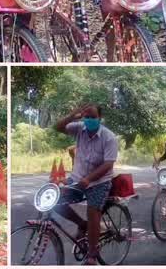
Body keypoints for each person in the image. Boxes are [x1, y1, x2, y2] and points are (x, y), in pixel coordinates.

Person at [54, 104, 118, 265]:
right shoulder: (79, 128)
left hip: (99, 181)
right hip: (77, 178)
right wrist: (72, 115)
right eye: (86, 117)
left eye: (93, 117)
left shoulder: (109, 137)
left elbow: (108, 164)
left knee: (93, 211)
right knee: (53, 201)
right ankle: (82, 224)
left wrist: (89, 179)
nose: (89, 120)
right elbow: (57, 127)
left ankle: (92, 252)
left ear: (99, 119)